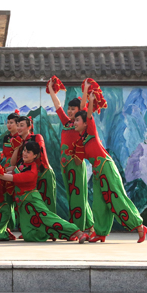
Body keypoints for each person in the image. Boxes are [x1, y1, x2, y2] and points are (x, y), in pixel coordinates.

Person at [73, 89, 147, 243]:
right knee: (99, 204)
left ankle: (139, 225)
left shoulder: (91, 133)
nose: (74, 123)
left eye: (77, 120)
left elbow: (88, 114)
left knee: (116, 197)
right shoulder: (81, 142)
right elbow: (78, 162)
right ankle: (101, 233)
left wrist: (90, 99)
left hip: (106, 167)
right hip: (97, 172)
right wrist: (72, 152)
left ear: (85, 124)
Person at [0, 141, 88, 243]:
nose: (24, 153)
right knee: (29, 235)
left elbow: (14, 177)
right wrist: (1, 171)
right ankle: (67, 234)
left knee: (49, 219)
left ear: (35, 155)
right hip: (23, 204)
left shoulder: (32, 170)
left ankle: (78, 232)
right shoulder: (22, 164)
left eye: (28, 152)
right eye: (24, 151)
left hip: (32, 201)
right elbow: (12, 171)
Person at [48, 78, 95, 234]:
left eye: (73, 109)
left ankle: (77, 229)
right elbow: (57, 106)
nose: (69, 112)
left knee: (77, 196)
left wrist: (85, 90)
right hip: (65, 164)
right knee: (73, 195)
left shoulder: (81, 125)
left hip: (76, 163)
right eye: (69, 109)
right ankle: (89, 226)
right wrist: (51, 90)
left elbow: (84, 106)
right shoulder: (67, 123)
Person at [11, 116, 57, 216]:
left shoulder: (37, 137)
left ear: (29, 127)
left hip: (43, 174)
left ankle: (51, 225)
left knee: (47, 204)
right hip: (31, 177)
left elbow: (41, 155)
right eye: (17, 125)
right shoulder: (20, 142)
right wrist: (16, 148)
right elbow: (15, 163)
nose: (19, 128)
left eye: (21, 125)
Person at [1, 110, 23, 239]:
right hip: (6, 168)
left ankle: (22, 228)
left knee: (18, 198)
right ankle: (8, 228)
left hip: (18, 169)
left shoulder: (21, 138)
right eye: (8, 122)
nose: (9, 125)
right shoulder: (7, 138)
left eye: (12, 123)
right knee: (7, 199)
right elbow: (5, 154)